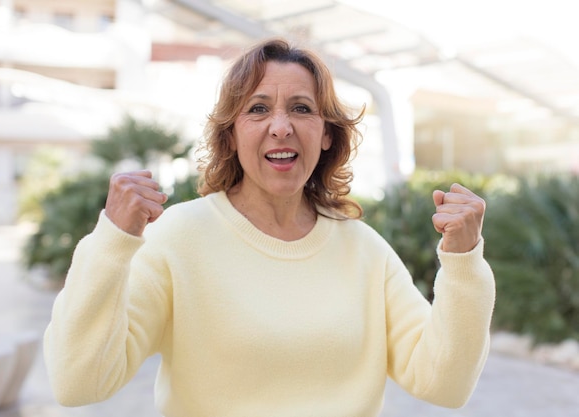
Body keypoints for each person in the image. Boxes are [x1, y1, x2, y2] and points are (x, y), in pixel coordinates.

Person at [44, 38, 495, 417]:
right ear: (231, 134)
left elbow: (444, 385)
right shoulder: (179, 237)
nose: (281, 127)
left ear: (326, 134)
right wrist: (111, 241)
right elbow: (78, 382)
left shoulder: (363, 250)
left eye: (301, 108)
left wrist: (462, 262)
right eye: (258, 109)